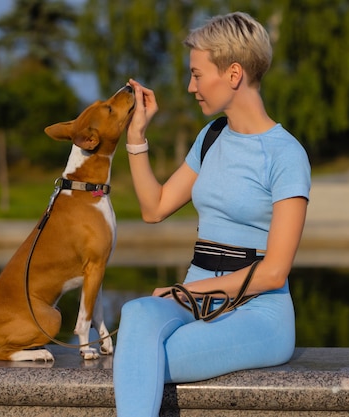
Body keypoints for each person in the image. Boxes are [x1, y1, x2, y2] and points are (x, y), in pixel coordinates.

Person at [113, 11, 311, 416]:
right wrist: (137, 138)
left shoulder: (286, 154)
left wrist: (186, 291)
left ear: (234, 74)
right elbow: (155, 208)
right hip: (194, 296)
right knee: (136, 314)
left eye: (197, 75)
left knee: (148, 355)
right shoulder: (212, 136)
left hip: (258, 312)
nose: (190, 87)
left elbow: (274, 272)